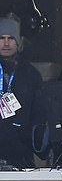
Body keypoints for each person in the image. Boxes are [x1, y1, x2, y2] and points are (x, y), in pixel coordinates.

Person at [0, 14, 45, 169]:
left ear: (18, 42)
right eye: (2, 38)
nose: (6, 43)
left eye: (11, 38)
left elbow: (39, 115)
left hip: (21, 154)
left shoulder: (31, 74)